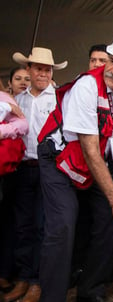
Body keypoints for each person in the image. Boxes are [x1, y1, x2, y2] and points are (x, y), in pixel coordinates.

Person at [36, 30, 113, 301]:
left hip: (96, 160)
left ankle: (91, 293)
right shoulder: (86, 87)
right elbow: (89, 147)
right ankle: (52, 297)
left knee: (109, 224)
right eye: (111, 61)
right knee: (64, 224)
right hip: (59, 158)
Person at [2, 47, 68, 302]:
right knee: (23, 226)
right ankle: (24, 277)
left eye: (47, 69)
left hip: (49, 170)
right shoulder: (20, 100)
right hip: (22, 168)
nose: (43, 73)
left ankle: (38, 282)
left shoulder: (60, 98)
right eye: (38, 68)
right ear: (28, 69)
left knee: (44, 227)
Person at [0, 90, 28, 294]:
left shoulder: (3, 98)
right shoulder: (6, 104)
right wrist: (7, 109)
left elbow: (23, 124)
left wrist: (2, 131)